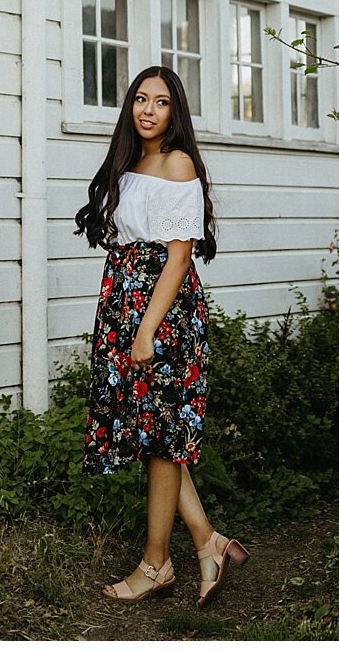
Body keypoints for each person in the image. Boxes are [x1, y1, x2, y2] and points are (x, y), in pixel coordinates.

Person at [74, 65, 249, 606]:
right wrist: (125, 322)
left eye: (162, 102)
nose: (148, 110)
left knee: (162, 434)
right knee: (158, 434)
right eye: (141, 99)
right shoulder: (133, 161)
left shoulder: (177, 164)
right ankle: (207, 541)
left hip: (161, 311)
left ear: (177, 113)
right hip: (126, 304)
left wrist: (147, 329)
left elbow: (177, 260)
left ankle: (156, 564)